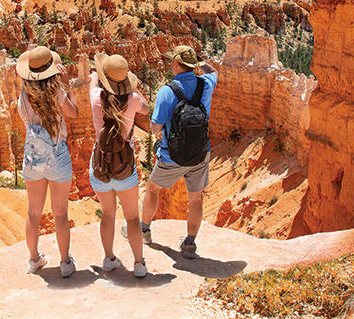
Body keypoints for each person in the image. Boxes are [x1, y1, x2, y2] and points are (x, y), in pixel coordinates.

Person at [124, 45, 217, 259]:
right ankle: (190, 244)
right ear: (193, 65)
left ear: (175, 64)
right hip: (200, 152)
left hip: (171, 155)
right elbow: (213, 71)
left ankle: (144, 231)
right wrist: (199, 61)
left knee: (153, 188)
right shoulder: (207, 83)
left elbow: (155, 128)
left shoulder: (167, 91)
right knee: (195, 199)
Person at [16, 46, 79, 277]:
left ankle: (34, 260)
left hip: (33, 158)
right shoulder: (57, 94)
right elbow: (73, 113)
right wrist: (67, 85)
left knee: (34, 213)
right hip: (57, 156)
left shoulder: (23, 97)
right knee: (60, 213)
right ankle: (65, 263)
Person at [88, 53, 151, 278]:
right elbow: (146, 107)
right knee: (132, 217)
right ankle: (139, 264)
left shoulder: (95, 96)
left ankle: (109, 259)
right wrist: (134, 89)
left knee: (107, 215)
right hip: (125, 166)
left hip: (100, 165)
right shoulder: (133, 99)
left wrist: (96, 74)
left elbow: (93, 82)